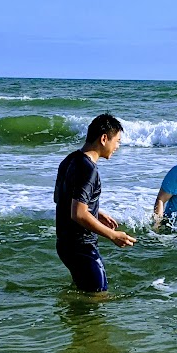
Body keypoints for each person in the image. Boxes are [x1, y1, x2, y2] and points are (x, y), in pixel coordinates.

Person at [55, 113, 137, 293]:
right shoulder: (89, 169)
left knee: (81, 293)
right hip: (81, 246)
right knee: (98, 296)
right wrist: (113, 235)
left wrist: (96, 212)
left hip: (65, 244)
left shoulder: (70, 160)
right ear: (104, 138)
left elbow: (62, 199)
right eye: (117, 141)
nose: (117, 146)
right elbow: (78, 213)